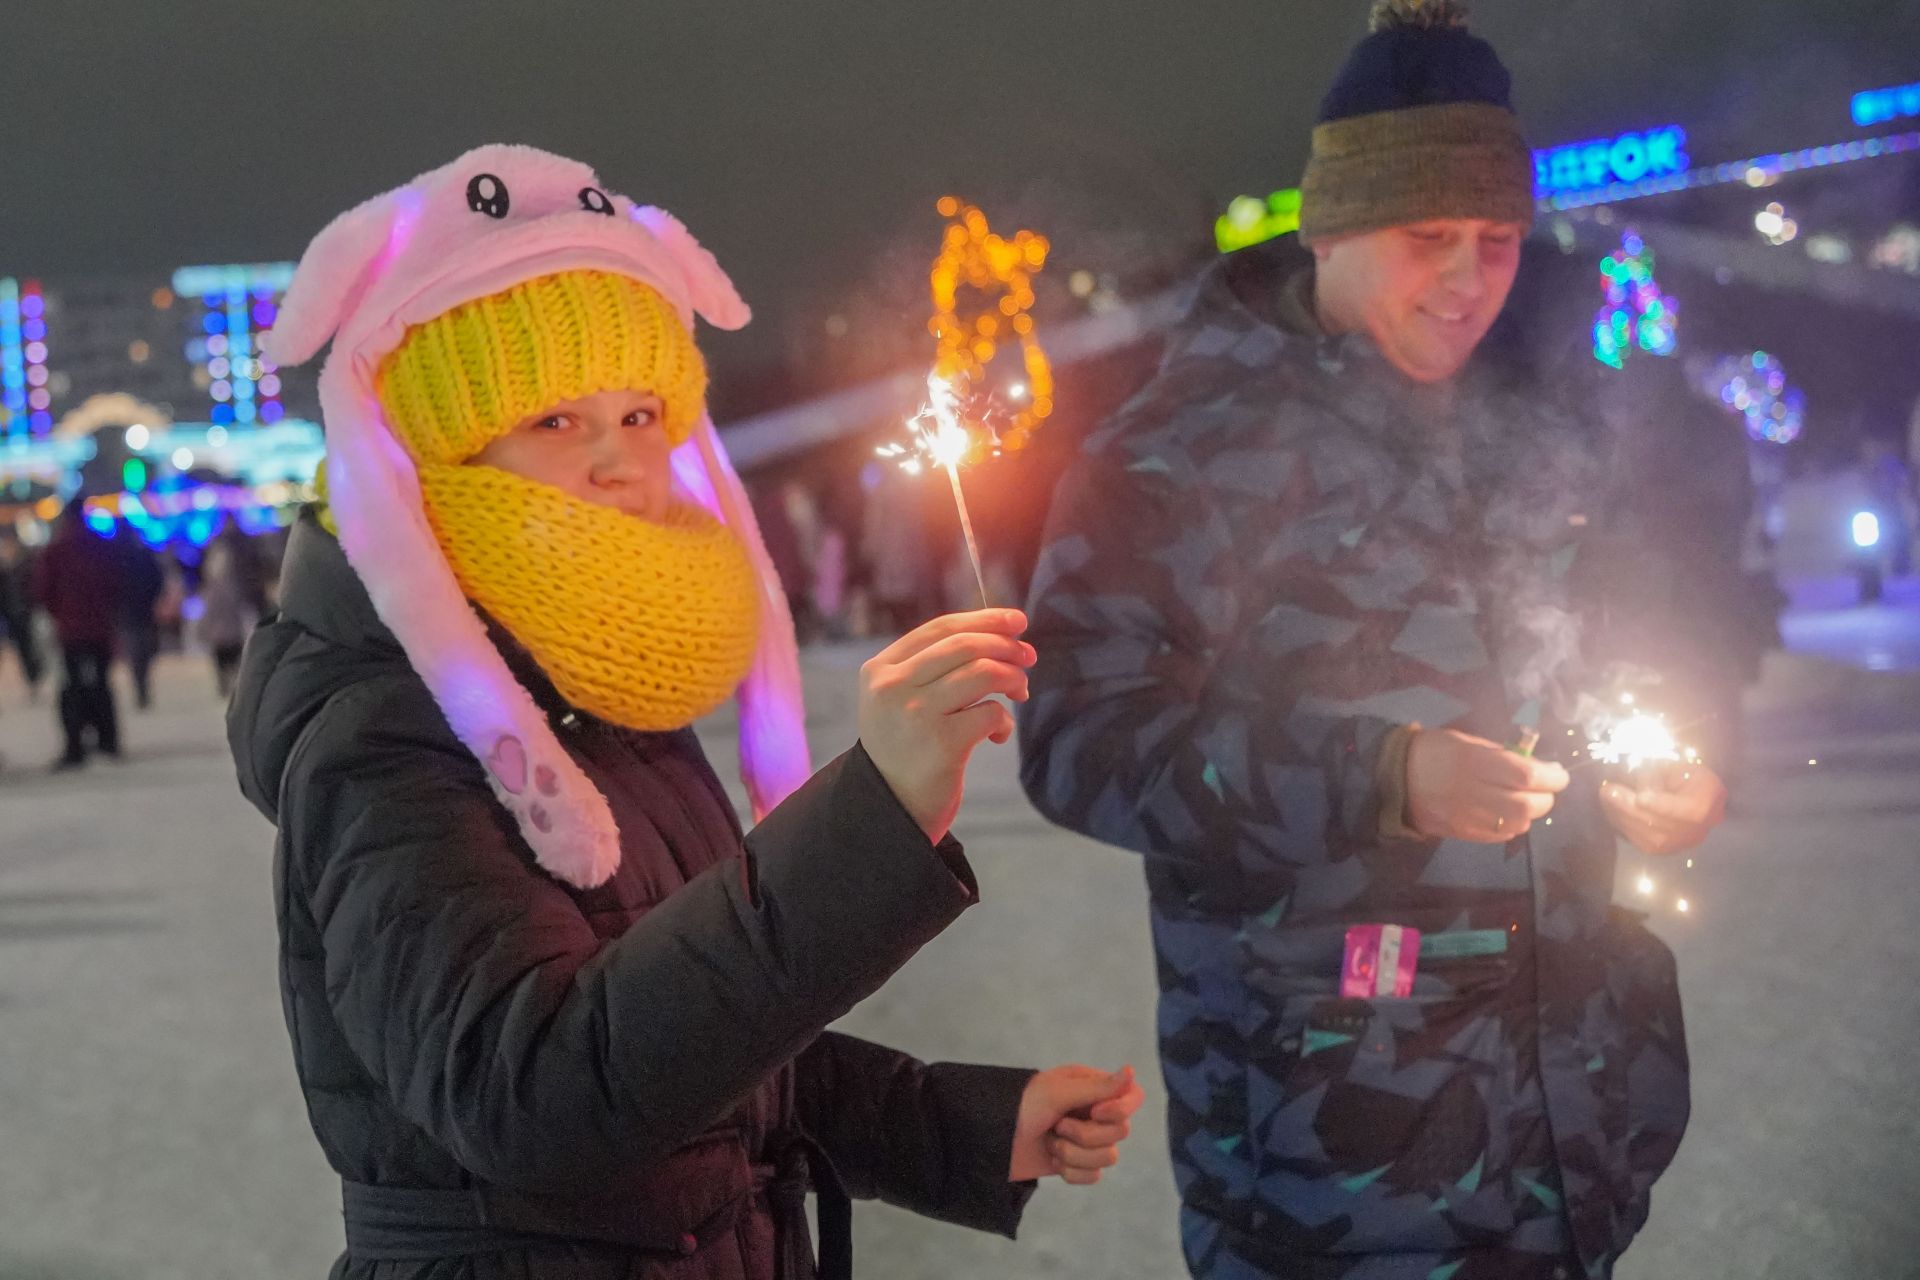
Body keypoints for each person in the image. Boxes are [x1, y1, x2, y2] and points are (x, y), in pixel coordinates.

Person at [228, 145, 1145, 1280]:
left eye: (641, 410)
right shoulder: (390, 728)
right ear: (429, 453)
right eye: (555, 420)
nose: (618, 460)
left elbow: (691, 1033)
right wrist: (869, 817)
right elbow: (538, 1094)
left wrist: (950, 1123)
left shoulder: (594, 680)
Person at [1019, 5, 1726, 1277]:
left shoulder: (1545, 428)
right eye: (1429, 237)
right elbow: (1078, 737)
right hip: (1327, 1165)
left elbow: (1622, 634)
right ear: (1334, 224)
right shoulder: (1178, 451)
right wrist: (1383, 775)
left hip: (1565, 1136)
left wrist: (1672, 764)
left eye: (1498, 240)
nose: (1468, 278)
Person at [32, 502, 123, 768]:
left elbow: (42, 590)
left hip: (70, 629)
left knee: (71, 687)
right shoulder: (100, 547)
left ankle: (75, 745)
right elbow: (115, 583)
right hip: (100, 626)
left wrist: (58, 613)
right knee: (101, 684)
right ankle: (108, 738)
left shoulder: (57, 549)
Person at [198, 526, 256, 698]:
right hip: (225, 622)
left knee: (226, 651)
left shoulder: (222, 583)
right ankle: (228, 680)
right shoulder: (229, 582)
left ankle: (228, 680)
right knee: (227, 651)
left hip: (224, 622)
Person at [115, 528, 166, 710]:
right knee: (141, 649)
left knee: (138, 650)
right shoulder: (141, 555)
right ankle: (142, 685)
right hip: (139, 611)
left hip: (133, 612)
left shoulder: (119, 557)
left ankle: (141, 684)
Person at [0, 528, 45, 700]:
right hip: (14, 613)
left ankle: (33, 675)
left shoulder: (22, 565)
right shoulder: (10, 568)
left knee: (27, 647)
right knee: (25, 647)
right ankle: (33, 674)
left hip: (22, 612)